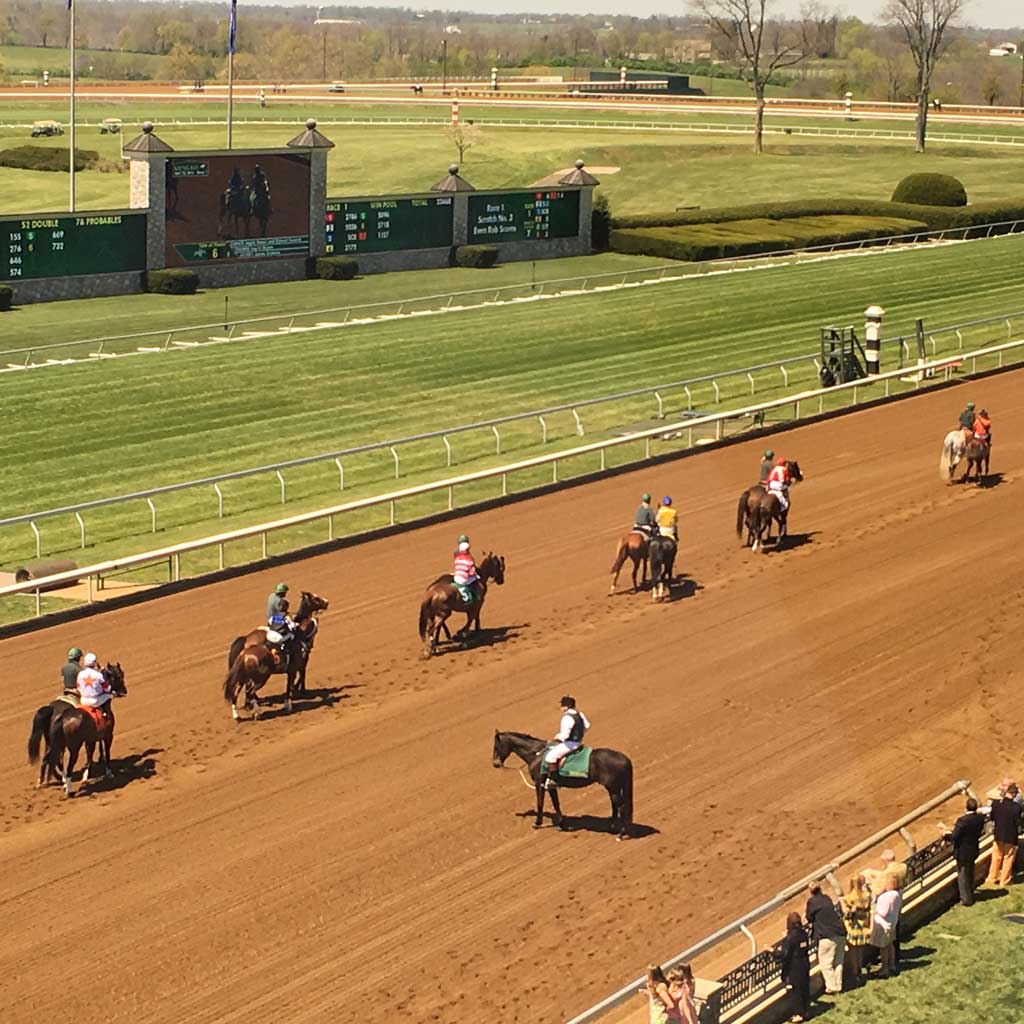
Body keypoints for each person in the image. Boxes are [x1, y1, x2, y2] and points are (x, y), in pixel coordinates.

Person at [943, 796, 986, 905]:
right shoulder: (980, 818)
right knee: (970, 873)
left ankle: (966, 900)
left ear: (966, 807)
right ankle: (970, 893)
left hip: (963, 852)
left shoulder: (962, 821)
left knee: (962, 875)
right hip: (973, 849)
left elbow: (954, 837)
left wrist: (945, 834)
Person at [806, 880, 845, 995]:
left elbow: (809, 917)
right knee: (838, 961)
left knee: (825, 963)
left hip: (827, 936)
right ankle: (838, 985)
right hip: (840, 933)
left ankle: (832, 987)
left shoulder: (812, 902)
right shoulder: (826, 898)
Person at [543, 695, 589, 789]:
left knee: (550, 757)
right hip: (579, 742)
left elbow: (565, 736)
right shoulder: (580, 714)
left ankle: (554, 781)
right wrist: (580, 733)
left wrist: (558, 737)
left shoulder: (567, 717)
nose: (561, 707)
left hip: (570, 744)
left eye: (562, 705)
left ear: (566, 706)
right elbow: (587, 725)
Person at [774, 911, 811, 1022]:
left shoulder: (791, 938)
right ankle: (806, 1011)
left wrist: (772, 951)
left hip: (794, 968)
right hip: (804, 964)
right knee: (804, 989)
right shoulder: (804, 934)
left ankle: (799, 1014)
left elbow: (785, 954)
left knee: (796, 991)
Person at [839, 873, 872, 987]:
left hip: (853, 928)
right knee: (859, 951)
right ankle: (860, 970)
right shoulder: (866, 896)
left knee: (853, 952)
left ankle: (855, 972)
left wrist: (841, 901)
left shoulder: (851, 897)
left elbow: (845, 906)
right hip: (863, 926)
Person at [986, 783, 1021, 887]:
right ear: (1014, 794)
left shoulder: (996, 804)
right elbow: (1018, 822)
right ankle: (1004, 880)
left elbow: (992, 818)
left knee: (996, 857)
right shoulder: (1016, 807)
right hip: (1010, 836)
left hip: (998, 834)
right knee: (1008, 858)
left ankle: (992, 878)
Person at [76, 653, 113, 725]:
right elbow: (106, 688)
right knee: (110, 695)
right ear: (94, 663)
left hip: (83, 700)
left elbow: (78, 687)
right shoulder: (98, 675)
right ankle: (106, 715)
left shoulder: (80, 674)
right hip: (95, 701)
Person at [266, 582, 297, 655]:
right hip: (275, 619)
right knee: (292, 630)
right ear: (282, 593)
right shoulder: (280, 601)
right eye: (285, 592)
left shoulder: (271, 596)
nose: (285, 594)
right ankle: (285, 648)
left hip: (270, 617)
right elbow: (282, 613)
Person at [452, 534, 479, 603]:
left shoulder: (457, 554)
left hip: (457, 574)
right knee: (476, 578)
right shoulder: (469, 558)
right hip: (464, 578)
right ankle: (475, 596)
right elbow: (471, 572)